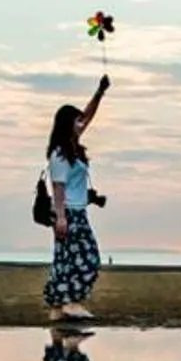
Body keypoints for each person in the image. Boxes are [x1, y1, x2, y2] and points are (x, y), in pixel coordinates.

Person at [44, 74, 112, 322]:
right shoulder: (61, 154)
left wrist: (99, 92)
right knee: (88, 258)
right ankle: (70, 302)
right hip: (68, 212)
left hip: (74, 211)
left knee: (65, 260)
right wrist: (61, 217)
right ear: (67, 124)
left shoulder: (72, 148)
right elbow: (58, 187)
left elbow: (89, 116)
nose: (81, 124)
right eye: (76, 121)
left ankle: (58, 307)